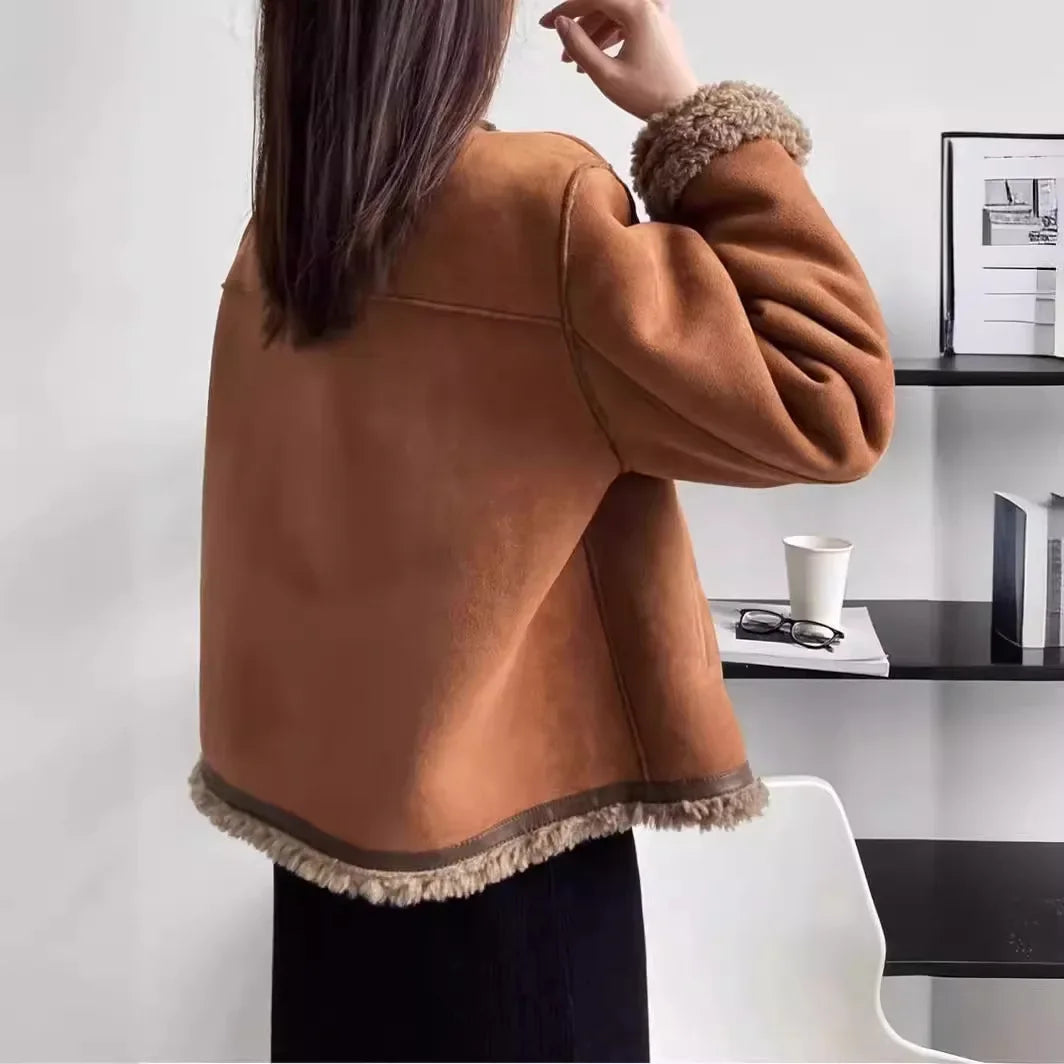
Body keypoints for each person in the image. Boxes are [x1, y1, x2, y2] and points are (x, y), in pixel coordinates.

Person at [190, 0, 894, 1060]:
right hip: (515, 891)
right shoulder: (538, 214)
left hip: (327, 875)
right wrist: (695, 119)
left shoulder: (286, 235)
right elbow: (829, 398)